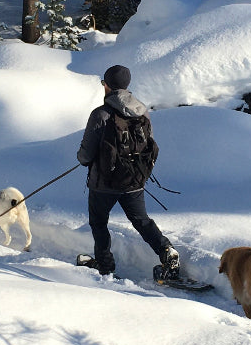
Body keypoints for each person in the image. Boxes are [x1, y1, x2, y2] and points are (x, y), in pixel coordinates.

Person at [76, 64, 179, 278]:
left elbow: (85, 153)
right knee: (141, 220)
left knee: (98, 222)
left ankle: (105, 266)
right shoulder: (142, 111)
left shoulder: (101, 114)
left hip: (104, 182)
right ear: (127, 85)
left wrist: (84, 159)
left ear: (106, 85)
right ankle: (166, 250)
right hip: (134, 178)